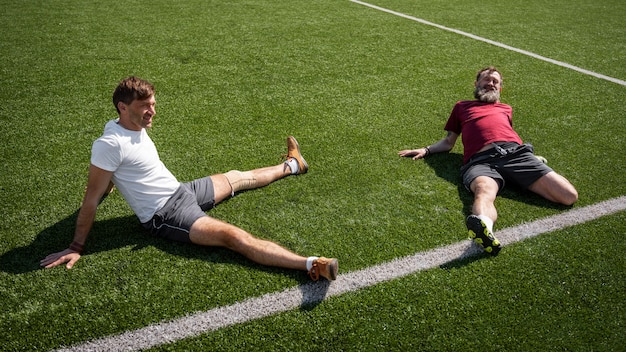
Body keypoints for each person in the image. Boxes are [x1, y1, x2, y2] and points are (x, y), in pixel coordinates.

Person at [40, 76, 338, 281]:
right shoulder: (109, 144)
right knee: (233, 237)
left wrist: (112, 183)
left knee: (238, 178)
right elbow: (90, 198)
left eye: (153, 104)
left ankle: (293, 164)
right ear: (123, 107)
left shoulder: (129, 125)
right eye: (145, 106)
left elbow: (114, 176)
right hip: (165, 213)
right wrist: (76, 246)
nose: (152, 112)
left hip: (181, 190)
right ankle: (313, 265)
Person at [398, 66, 578, 255]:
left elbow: (506, 132)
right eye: (487, 79)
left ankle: (535, 165)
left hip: (516, 154)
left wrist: (532, 160)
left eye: (495, 81)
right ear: (476, 84)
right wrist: (426, 150)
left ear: (500, 88)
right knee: (484, 190)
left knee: (568, 196)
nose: (491, 83)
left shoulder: (506, 109)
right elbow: (448, 142)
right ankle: (485, 230)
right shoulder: (462, 106)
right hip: (480, 162)